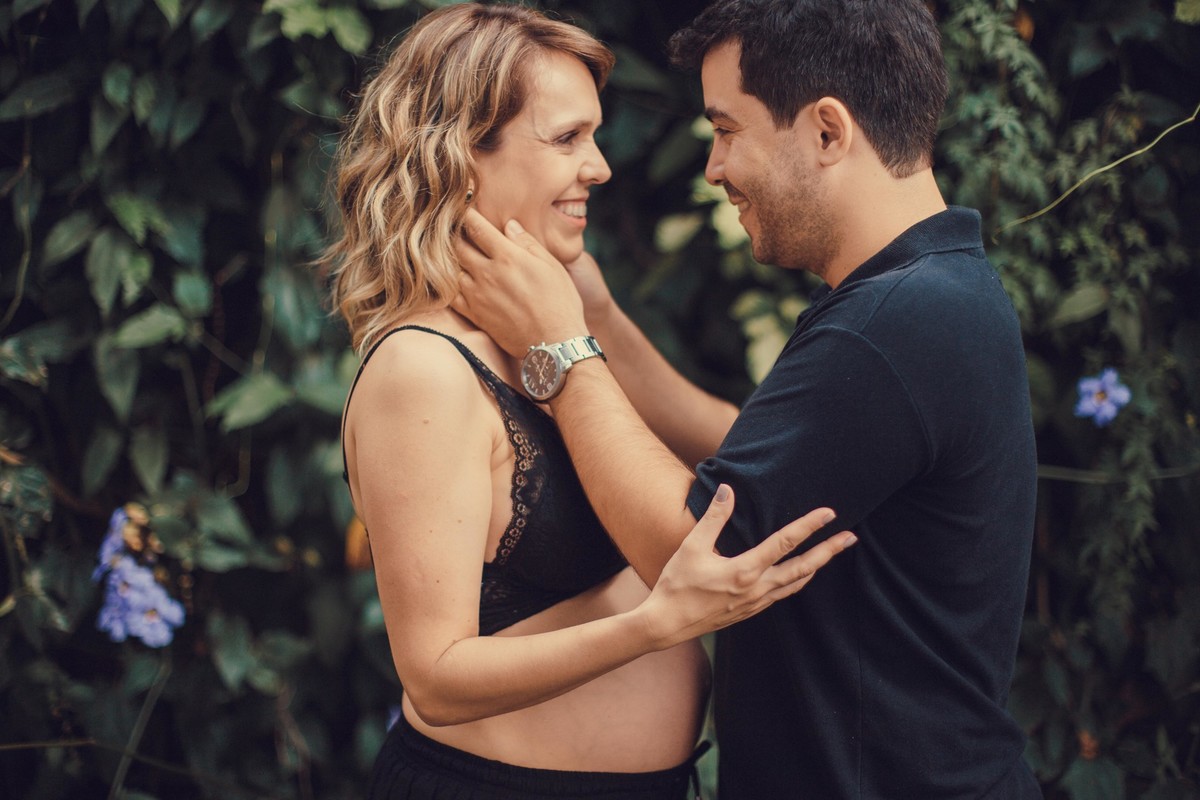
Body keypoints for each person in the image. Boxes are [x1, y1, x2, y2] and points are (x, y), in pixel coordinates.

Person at [453, 0, 1042, 798]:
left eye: (727, 130)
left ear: (827, 131)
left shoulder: (894, 324)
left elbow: (694, 557)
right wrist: (596, 318)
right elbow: (756, 458)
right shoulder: (927, 291)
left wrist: (560, 352)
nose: (714, 167)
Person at [323, 5, 857, 799]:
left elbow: (737, 460)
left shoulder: (539, 335)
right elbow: (434, 677)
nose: (600, 167)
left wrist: (589, 322)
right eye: (568, 138)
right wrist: (654, 626)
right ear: (460, 155)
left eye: (595, 137)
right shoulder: (423, 371)